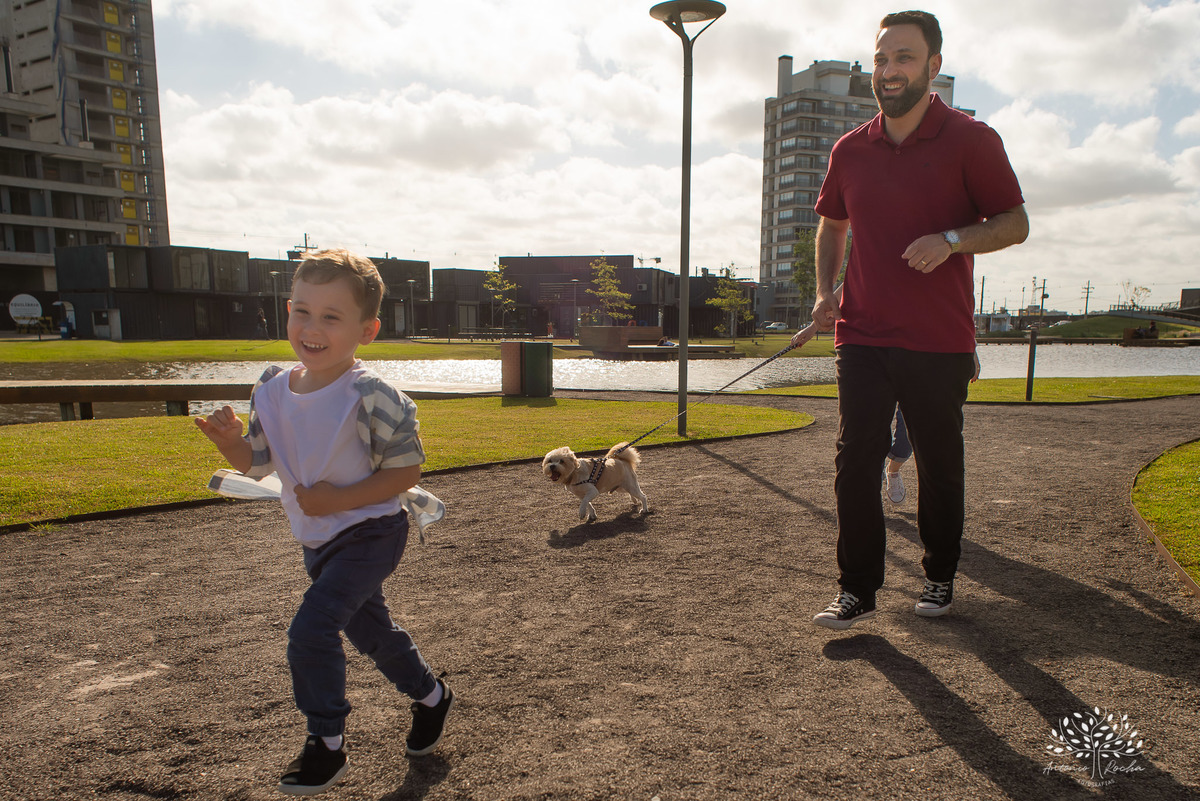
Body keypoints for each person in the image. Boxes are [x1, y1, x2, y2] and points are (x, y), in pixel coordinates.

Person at [195, 249, 453, 795]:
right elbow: (257, 464)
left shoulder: (375, 396)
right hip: (318, 539)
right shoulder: (270, 388)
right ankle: (432, 696)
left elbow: (407, 472)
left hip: (373, 532)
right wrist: (229, 443)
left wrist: (338, 499)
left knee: (312, 630)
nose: (312, 329)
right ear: (287, 311)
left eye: (331, 317)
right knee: (371, 632)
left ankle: (326, 744)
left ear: (367, 330)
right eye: (302, 312)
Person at [809, 10, 1029, 630]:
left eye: (903, 57)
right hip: (861, 334)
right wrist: (824, 291)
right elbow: (832, 225)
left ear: (933, 66)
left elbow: (1015, 223)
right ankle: (857, 589)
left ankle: (939, 575)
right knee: (855, 462)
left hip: (939, 340)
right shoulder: (850, 150)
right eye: (881, 59)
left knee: (937, 463)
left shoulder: (972, 140)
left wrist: (952, 239)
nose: (889, 70)